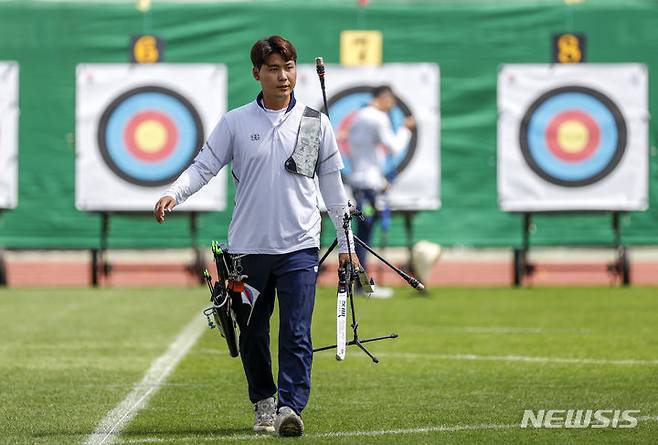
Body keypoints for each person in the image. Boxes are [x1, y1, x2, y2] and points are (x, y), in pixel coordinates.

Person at [153, 35, 358, 437]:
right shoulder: (236, 121)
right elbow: (204, 166)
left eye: (290, 67)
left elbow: (333, 189)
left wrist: (347, 244)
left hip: (300, 246)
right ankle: (264, 401)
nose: (284, 77)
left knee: (297, 332)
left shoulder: (316, 122)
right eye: (274, 69)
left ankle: (289, 407)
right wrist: (173, 193)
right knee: (252, 334)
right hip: (247, 251)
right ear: (257, 74)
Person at [346, 85, 415, 297]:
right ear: (384, 98)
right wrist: (406, 129)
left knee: (361, 236)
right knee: (364, 238)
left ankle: (361, 286)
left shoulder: (359, 117)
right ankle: (362, 287)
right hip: (368, 186)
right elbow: (393, 146)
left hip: (360, 183)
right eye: (391, 102)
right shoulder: (377, 117)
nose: (392, 107)